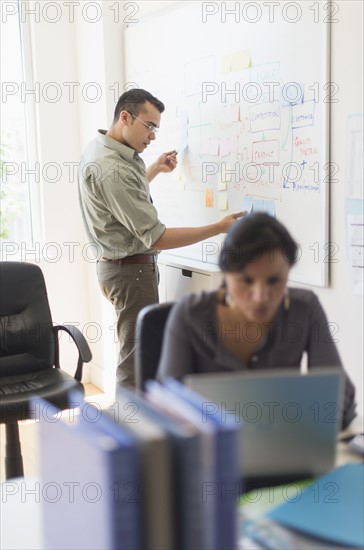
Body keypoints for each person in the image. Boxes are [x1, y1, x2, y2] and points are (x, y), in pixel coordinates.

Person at [78, 88, 244, 387]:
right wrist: (218, 228)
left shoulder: (102, 149)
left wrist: (153, 169)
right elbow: (157, 237)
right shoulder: (111, 167)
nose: (153, 136)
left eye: (156, 128)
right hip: (131, 272)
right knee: (137, 358)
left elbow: (120, 201)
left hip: (119, 267)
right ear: (125, 117)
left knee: (138, 351)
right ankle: (131, 427)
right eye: (149, 126)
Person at [157, 212, 356, 429]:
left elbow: (340, 397)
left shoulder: (304, 309)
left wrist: (318, 420)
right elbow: (168, 411)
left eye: (274, 281)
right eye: (246, 281)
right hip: (210, 454)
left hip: (286, 451)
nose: (261, 296)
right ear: (226, 274)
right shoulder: (190, 315)